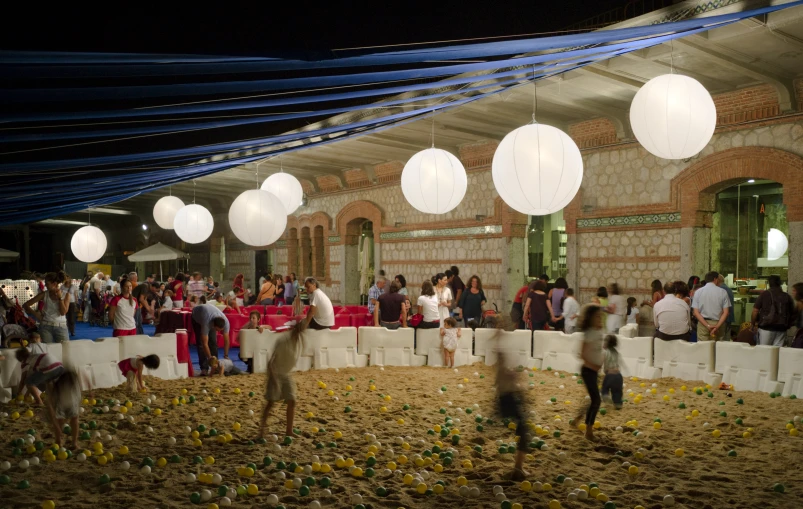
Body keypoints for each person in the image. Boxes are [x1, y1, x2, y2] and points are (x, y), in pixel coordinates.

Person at [260, 321, 305, 439]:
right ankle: (261, 431)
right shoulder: (283, 340)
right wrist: (274, 379)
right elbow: (271, 362)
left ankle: (289, 431)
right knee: (271, 402)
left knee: (292, 400)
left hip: (286, 374)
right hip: (275, 372)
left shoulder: (298, 340)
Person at [494, 339, 529, 481]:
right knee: (524, 431)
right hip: (509, 402)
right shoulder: (503, 372)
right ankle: (518, 468)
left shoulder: (501, 371)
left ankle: (518, 467)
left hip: (506, 402)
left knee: (523, 430)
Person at [575, 304, 603, 441]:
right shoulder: (589, 333)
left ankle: (577, 419)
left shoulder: (597, 331)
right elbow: (582, 354)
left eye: (600, 316)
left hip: (594, 370)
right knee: (596, 400)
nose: (600, 319)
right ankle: (588, 431)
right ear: (590, 318)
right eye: (597, 316)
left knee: (593, 398)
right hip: (588, 371)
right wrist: (593, 365)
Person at [43, 369, 91, 450]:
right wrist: (57, 426)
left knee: (73, 419)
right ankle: (59, 441)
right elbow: (51, 407)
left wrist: (89, 389)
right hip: (61, 401)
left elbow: (83, 376)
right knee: (61, 420)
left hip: (72, 401)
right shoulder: (54, 389)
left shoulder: (73, 387)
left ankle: (74, 442)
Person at [23, 271, 70, 343]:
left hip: (61, 326)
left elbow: (63, 312)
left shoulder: (66, 295)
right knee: (47, 350)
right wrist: (36, 315)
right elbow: (26, 305)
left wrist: (60, 298)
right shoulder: (44, 294)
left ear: (54, 284)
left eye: (47, 283)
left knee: (65, 350)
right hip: (45, 326)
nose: (45, 285)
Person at [751, 274, 795, 347]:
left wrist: (752, 324)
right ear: (780, 283)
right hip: (781, 328)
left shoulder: (764, 294)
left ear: (769, 283)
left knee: (764, 350)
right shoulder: (786, 296)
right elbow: (792, 313)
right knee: (777, 352)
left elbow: (755, 311)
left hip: (766, 328)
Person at [191, 303, 231, 376]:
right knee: (200, 343)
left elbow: (226, 340)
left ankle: (215, 367)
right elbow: (204, 343)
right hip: (197, 316)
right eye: (216, 329)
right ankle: (204, 368)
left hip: (210, 313)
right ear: (213, 325)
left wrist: (226, 355)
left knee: (213, 342)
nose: (218, 331)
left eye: (220, 330)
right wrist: (209, 358)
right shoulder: (206, 322)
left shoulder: (226, 323)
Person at [691, 271, 731, 342]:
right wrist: (717, 326)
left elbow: (696, 312)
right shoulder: (723, 292)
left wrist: (707, 325)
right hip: (719, 323)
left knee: (703, 347)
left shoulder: (698, 292)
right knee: (718, 347)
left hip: (703, 323)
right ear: (715, 279)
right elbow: (726, 312)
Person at [601, 335, 623, 410]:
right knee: (617, 391)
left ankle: (606, 395)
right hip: (618, 376)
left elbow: (600, 362)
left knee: (605, 388)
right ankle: (618, 403)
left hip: (610, 375)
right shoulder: (616, 352)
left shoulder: (605, 352)